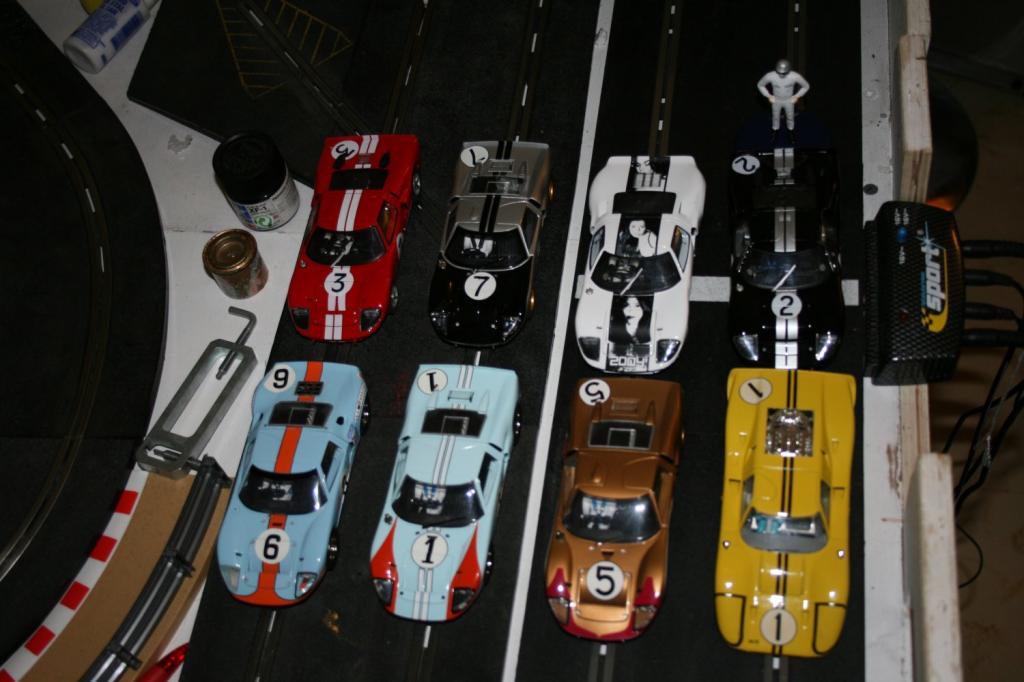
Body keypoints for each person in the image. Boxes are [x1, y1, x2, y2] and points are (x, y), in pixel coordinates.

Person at [757, 59, 810, 136]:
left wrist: (797, 96)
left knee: (790, 117)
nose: (781, 75)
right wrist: (768, 95)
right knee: (775, 116)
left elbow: (806, 86)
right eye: (779, 72)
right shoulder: (770, 76)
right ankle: (775, 130)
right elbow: (760, 85)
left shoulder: (794, 76)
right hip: (776, 100)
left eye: (784, 73)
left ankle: (791, 131)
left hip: (788, 100)